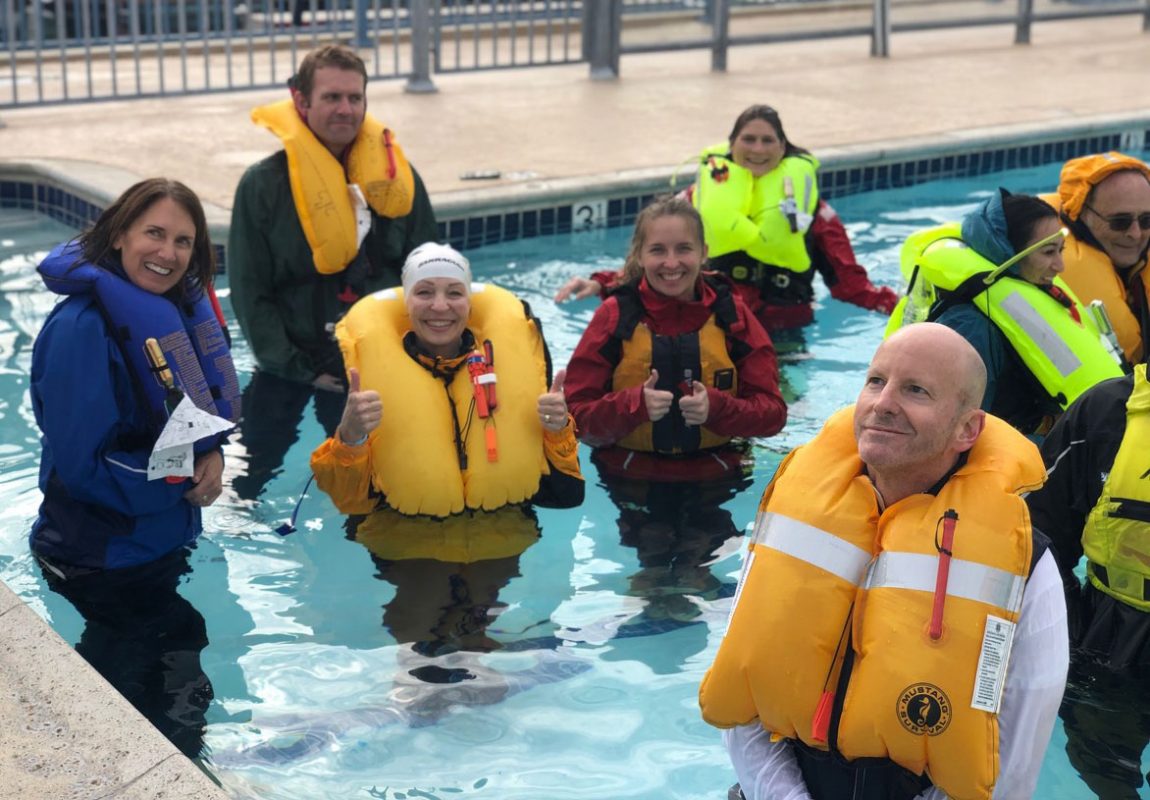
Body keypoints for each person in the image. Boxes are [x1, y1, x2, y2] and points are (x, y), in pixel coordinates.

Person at [701, 323, 1068, 800]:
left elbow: (1012, 761)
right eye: (876, 381)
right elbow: (742, 681)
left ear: (967, 429)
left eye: (916, 390)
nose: (883, 403)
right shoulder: (795, 511)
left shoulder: (1025, 568)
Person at [30, 178, 240, 757]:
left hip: (146, 544)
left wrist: (212, 455)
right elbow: (83, 466)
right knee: (169, 658)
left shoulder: (170, 314)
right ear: (119, 234)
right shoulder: (82, 329)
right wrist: (182, 482)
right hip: (94, 556)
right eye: (153, 232)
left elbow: (192, 418)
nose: (167, 253)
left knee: (167, 673)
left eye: (182, 240)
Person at [228, 43, 438, 499]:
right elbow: (249, 291)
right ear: (301, 101)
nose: (345, 109)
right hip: (291, 360)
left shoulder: (398, 182)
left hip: (377, 359)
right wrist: (297, 367)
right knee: (245, 477)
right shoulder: (262, 187)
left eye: (355, 98)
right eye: (331, 97)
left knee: (380, 483)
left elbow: (431, 273)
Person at [555, 105, 898, 333]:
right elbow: (656, 260)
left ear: (784, 148)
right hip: (711, 323)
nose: (758, 149)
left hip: (783, 328)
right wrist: (602, 284)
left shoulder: (813, 213)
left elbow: (850, 283)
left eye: (768, 140)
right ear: (731, 145)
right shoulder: (694, 201)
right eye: (748, 139)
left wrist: (899, 308)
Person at [310, 242, 584, 519]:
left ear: (469, 303)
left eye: (454, 293)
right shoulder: (358, 378)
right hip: (402, 536)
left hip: (503, 528)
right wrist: (351, 437)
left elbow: (566, 493)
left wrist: (557, 429)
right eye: (424, 292)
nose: (440, 306)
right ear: (407, 303)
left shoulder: (511, 363)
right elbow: (348, 502)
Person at [563, 196, 787, 476]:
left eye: (684, 249)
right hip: (631, 477)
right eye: (658, 250)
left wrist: (717, 408)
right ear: (640, 256)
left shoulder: (733, 315)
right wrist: (633, 405)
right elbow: (575, 418)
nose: (671, 263)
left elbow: (774, 415)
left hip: (717, 474)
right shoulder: (615, 317)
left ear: (703, 252)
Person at [894, 189, 1123, 436]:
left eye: (1060, 250)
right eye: (1047, 252)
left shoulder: (1033, 292)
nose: (1060, 266)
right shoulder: (968, 327)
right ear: (1008, 254)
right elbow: (953, 433)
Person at [1027, 364, 1150, 799]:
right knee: (1103, 768)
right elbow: (1037, 535)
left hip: (1110, 637)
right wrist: (1069, 623)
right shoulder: (1105, 411)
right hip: (1108, 639)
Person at [1044, 152, 1150, 364]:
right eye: (1120, 222)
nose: (1136, 233)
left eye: (1147, 219)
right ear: (1082, 214)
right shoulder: (1048, 268)